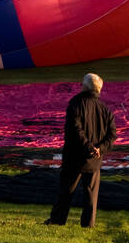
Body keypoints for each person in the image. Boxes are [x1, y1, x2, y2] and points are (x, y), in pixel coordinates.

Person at [46, 73, 117, 228]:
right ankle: (88, 224)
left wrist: (89, 147)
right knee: (91, 194)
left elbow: (75, 130)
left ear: (85, 87)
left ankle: (58, 220)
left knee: (66, 191)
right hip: (94, 160)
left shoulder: (76, 104)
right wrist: (99, 149)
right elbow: (112, 134)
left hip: (75, 157)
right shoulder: (105, 109)